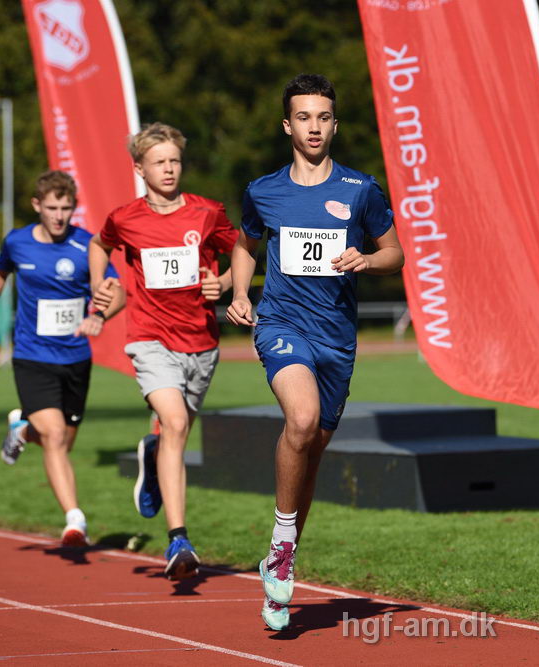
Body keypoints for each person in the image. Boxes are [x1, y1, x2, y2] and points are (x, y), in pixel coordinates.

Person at [227, 74, 403, 632]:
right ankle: (281, 547)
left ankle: (280, 567)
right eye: (303, 117)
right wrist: (237, 293)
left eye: (323, 117)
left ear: (334, 123)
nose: (314, 127)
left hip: (337, 341)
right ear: (288, 125)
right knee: (299, 421)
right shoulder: (263, 190)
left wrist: (366, 261)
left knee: (311, 455)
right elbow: (244, 244)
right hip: (281, 324)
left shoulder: (360, 189)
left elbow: (394, 253)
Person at [89, 122, 237, 581]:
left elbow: (247, 249)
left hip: (201, 342)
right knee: (174, 423)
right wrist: (99, 284)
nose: (169, 169)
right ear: (140, 168)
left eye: (174, 160)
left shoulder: (208, 213)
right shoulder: (126, 217)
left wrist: (225, 283)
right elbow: (100, 243)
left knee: (176, 434)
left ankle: (153, 455)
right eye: (159, 162)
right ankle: (178, 538)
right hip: (150, 337)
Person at [0, 170, 124, 546]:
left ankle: (22, 430)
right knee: (54, 436)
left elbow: (116, 290)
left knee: (62, 442)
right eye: (52, 208)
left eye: (66, 208)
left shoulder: (88, 245)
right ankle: (75, 521)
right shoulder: (18, 242)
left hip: (74, 359)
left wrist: (99, 316)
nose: (59, 216)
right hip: (31, 355)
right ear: (37, 205)